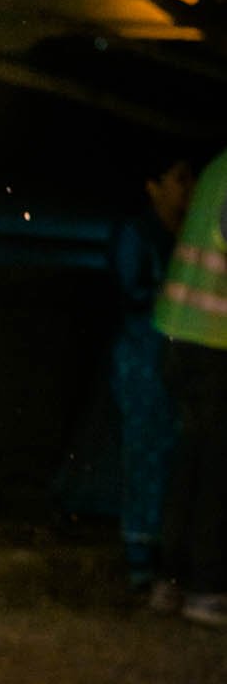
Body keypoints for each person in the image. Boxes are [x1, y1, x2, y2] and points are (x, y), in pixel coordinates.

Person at [109, 154, 195, 588]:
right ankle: (140, 553)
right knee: (144, 450)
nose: (189, 187)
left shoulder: (183, 234)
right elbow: (132, 292)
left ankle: (162, 550)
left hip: (172, 357)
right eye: (179, 179)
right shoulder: (139, 233)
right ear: (153, 186)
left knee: (169, 450)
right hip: (143, 356)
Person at [153, 144, 227, 627]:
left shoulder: (219, 166)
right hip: (214, 342)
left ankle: (170, 584)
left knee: (190, 462)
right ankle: (207, 590)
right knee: (217, 472)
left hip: (178, 333)